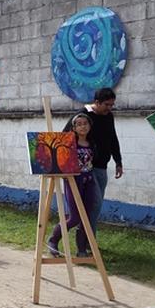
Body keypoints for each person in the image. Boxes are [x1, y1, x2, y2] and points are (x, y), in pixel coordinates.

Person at [64, 87, 123, 236]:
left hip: (102, 167)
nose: (109, 108)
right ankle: (84, 239)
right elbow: (65, 138)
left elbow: (112, 138)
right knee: (90, 204)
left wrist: (118, 161)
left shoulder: (109, 116)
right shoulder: (81, 116)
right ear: (97, 102)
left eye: (112, 105)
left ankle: (88, 239)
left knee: (96, 206)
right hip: (85, 169)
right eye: (107, 105)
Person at [47, 113, 96, 257]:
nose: (83, 126)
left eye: (85, 123)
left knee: (86, 216)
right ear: (73, 128)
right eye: (79, 124)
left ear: (90, 126)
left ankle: (81, 249)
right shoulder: (69, 143)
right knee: (74, 217)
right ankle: (53, 240)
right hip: (73, 180)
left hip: (89, 180)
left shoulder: (92, 143)